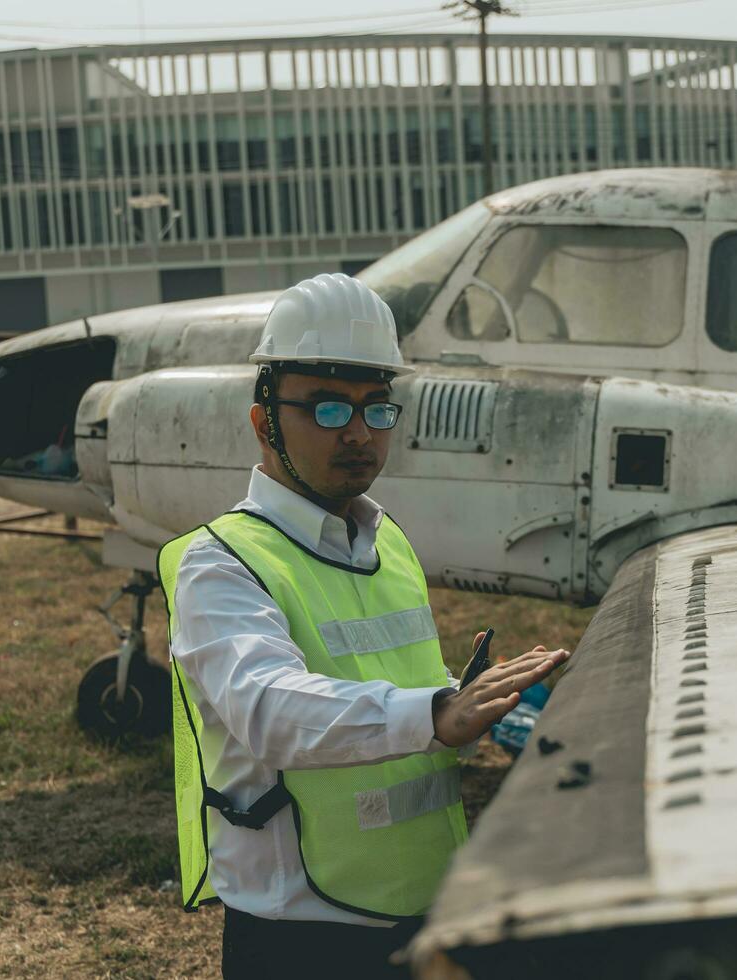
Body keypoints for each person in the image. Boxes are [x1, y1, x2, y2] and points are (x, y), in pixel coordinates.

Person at [156, 273, 570, 979]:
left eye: (376, 408)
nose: (356, 433)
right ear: (263, 422)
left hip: (423, 906)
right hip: (307, 937)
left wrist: (477, 708)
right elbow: (269, 710)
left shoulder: (388, 544)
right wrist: (438, 712)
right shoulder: (220, 563)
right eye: (325, 408)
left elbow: (406, 703)